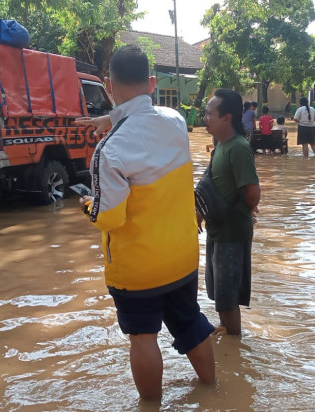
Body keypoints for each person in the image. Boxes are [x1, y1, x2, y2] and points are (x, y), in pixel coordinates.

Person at [76, 45, 215, 401]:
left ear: (108, 86)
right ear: (152, 82)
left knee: (143, 337)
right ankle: (213, 392)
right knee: (190, 322)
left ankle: (150, 407)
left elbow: (110, 217)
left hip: (138, 269)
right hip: (182, 257)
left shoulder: (109, 151)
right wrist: (113, 118)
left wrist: (88, 205)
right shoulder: (176, 121)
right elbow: (143, 119)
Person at [199, 88, 260, 336]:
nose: (206, 118)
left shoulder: (238, 147)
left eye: (210, 113)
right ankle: (227, 338)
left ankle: (234, 344)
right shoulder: (222, 146)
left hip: (232, 233)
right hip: (218, 230)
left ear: (227, 118)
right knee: (219, 293)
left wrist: (243, 210)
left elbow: (253, 192)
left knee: (227, 297)